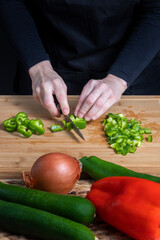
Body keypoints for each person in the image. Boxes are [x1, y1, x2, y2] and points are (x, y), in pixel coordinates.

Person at [0, 0, 160, 121]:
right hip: (45, 62)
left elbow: (156, 9)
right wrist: (39, 67)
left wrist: (120, 78)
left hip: (134, 65)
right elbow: (11, 2)